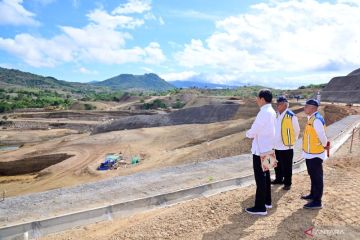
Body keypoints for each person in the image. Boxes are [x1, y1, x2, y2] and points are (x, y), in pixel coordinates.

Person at [245, 89, 276, 216]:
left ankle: (260, 207)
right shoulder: (272, 111)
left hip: (260, 151)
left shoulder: (263, 112)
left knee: (261, 178)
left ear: (262, 99)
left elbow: (254, 130)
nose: (257, 100)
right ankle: (267, 202)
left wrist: (247, 134)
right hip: (269, 148)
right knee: (266, 176)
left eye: (258, 98)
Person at [301, 99, 328, 209]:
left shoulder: (316, 120)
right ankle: (313, 194)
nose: (304, 108)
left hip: (315, 154)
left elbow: (322, 137)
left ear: (312, 108)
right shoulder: (311, 118)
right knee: (313, 175)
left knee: (317, 177)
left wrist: (325, 145)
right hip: (310, 153)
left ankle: (317, 201)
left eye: (306, 106)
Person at [272, 96, 300, 190]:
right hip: (275, 145)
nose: (277, 105)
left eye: (279, 104)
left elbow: (297, 130)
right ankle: (278, 179)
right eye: (276, 104)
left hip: (286, 146)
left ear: (285, 105)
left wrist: (292, 141)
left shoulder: (291, 115)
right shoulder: (276, 114)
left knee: (287, 166)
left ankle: (287, 183)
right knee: (277, 164)